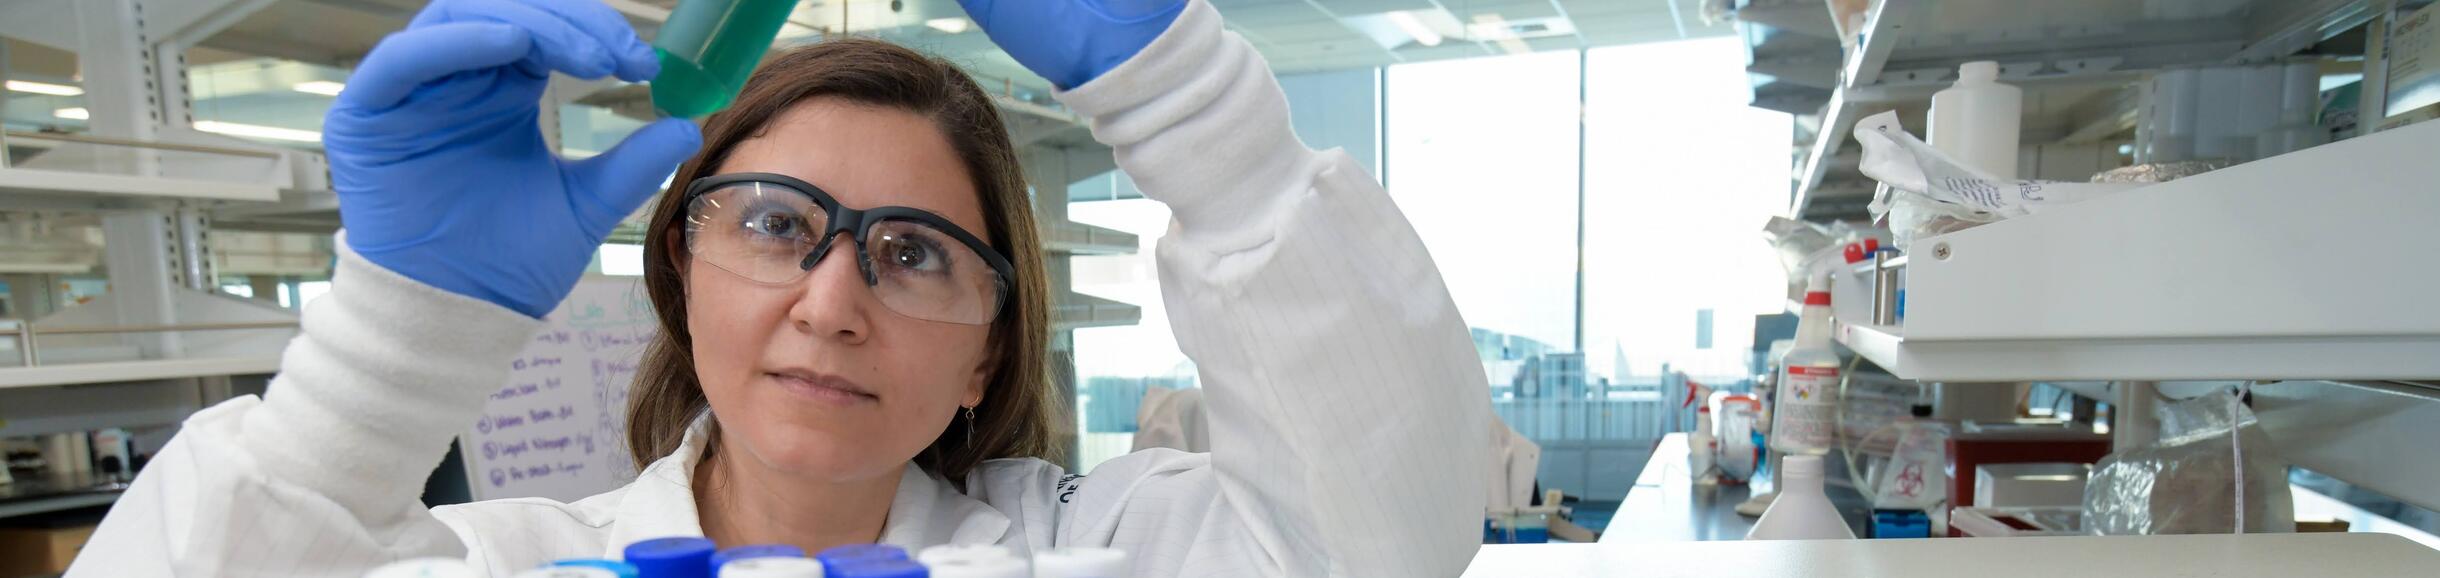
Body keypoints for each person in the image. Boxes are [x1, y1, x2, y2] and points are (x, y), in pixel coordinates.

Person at [66, 0, 1492, 575]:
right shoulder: (495, 561)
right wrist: (380, 352)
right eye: (772, 222)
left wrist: (1208, 121)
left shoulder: (1106, 553)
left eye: (913, 251)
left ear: (991, 352)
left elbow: (1388, 535)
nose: (830, 300)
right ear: (681, 272)